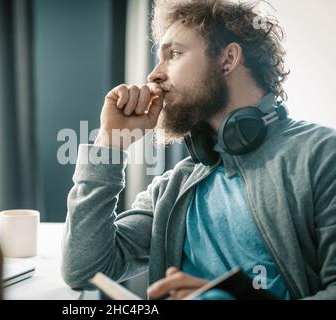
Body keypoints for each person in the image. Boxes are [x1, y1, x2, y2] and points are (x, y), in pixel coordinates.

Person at [61, 0, 336, 300]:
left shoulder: (321, 154)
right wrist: (110, 144)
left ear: (228, 58)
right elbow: (84, 271)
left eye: (174, 54)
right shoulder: (173, 189)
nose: (154, 75)